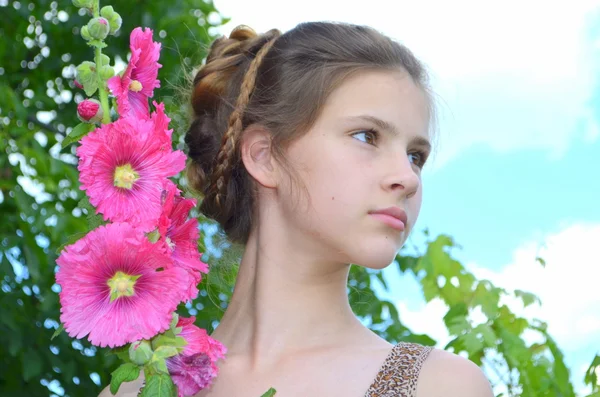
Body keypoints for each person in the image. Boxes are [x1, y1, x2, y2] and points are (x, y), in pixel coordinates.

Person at [103, 21, 494, 397]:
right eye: (366, 136)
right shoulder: (139, 390)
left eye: (416, 156)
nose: (407, 179)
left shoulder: (438, 386)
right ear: (265, 156)